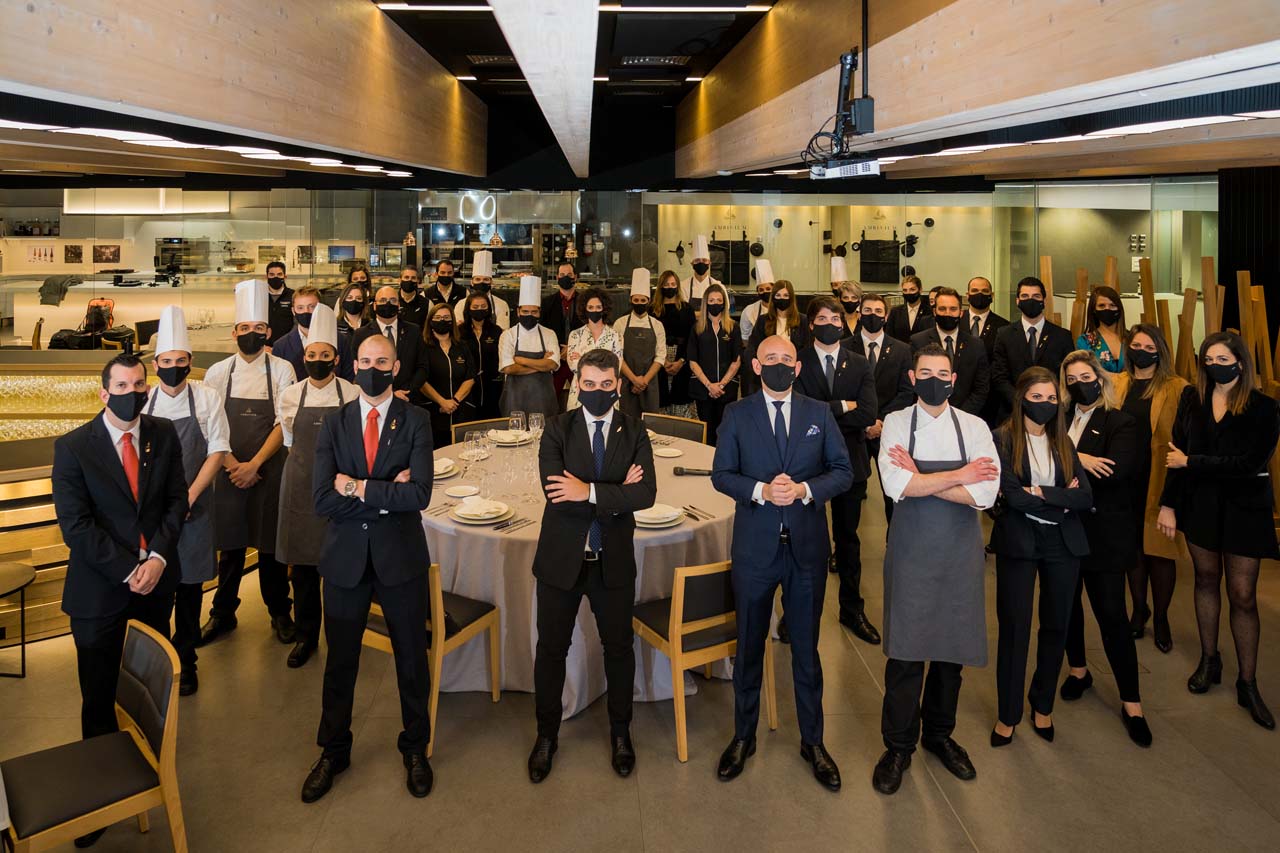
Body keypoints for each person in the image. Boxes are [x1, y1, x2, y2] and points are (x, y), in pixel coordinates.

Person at [51, 352, 188, 849]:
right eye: (122, 386)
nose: (132, 394)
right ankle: (101, 797)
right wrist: (130, 569)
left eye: (139, 385)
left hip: (155, 587)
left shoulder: (162, 434)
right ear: (104, 393)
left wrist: (158, 560)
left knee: (150, 692)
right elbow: (77, 527)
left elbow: (176, 501)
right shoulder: (73, 447)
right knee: (98, 697)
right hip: (100, 593)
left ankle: (152, 772)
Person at [711, 334, 853, 790]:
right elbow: (722, 474)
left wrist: (806, 490)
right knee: (750, 646)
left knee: (807, 652)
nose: (778, 364)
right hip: (756, 549)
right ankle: (743, 736)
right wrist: (761, 491)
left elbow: (843, 471)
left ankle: (814, 742)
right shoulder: (737, 414)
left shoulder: (818, 413)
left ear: (797, 367)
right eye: (770, 358)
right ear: (755, 366)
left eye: (786, 359)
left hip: (806, 550)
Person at [302, 333, 436, 804]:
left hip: (401, 558)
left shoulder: (416, 420)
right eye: (365, 361)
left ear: (396, 368)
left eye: (382, 362)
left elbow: (420, 494)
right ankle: (333, 750)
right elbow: (322, 499)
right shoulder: (334, 422)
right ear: (352, 365)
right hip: (345, 560)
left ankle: (415, 747)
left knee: (411, 660)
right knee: (340, 661)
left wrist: (356, 487)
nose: (373, 369)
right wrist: (386, 492)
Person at [872, 343, 1000, 795]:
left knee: (951, 653)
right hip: (911, 554)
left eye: (942, 374)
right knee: (906, 656)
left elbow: (986, 495)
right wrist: (961, 475)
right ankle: (898, 746)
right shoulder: (896, 423)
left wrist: (924, 478)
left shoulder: (975, 427)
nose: (934, 380)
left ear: (953, 380)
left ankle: (940, 735)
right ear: (912, 378)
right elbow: (896, 485)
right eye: (925, 373)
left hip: (959, 555)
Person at [527, 349, 656, 783]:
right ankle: (546, 735)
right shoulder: (557, 429)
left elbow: (646, 495)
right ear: (576, 385)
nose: (597, 391)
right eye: (589, 384)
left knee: (618, 650)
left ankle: (621, 734)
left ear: (617, 386)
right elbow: (556, 494)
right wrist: (616, 491)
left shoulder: (635, 430)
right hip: (561, 561)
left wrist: (589, 490)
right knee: (551, 650)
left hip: (612, 561)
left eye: (605, 384)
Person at [1160, 331, 1280, 730]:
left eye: (1222, 359)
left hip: (1246, 511)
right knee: (1205, 580)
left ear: (1240, 362)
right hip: (1201, 507)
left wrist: (1193, 462)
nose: (1214, 365)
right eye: (1208, 359)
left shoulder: (1265, 407)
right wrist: (1168, 504)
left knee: (1243, 595)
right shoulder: (1191, 398)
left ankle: (1248, 682)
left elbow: (1248, 464)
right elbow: (1174, 456)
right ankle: (1209, 660)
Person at [990, 367, 1092, 747]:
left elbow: (1085, 496)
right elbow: (1012, 496)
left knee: (1056, 626)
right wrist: (1060, 498)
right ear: (1021, 399)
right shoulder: (1001, 438)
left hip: (1063, 543)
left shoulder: (1062, 440)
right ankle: (1008, 714)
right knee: (1014, 628)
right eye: (1037, 397)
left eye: (1052, 398)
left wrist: (1043, 494)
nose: (1045, 404)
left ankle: (1042, 704)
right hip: (1018, 542)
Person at [1057, 350, 1151, 746]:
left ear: (1100, 378)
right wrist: (1080, 457)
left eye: (1086, 377)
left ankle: (1132, 702)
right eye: (1072, 379)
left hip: (1103, 533)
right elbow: (1036, 460)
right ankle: (1078, 670)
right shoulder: (1057, 418)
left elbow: (1115, 470)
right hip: (1062, 529)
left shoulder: (1121, 421)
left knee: (1112, 615)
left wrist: (1065, 458)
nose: (1081, 384)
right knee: (1067, 609)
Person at [200, 279, 298, 647]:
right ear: (234, 333)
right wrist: (233, 465)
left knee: (271, 547)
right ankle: (222, 612)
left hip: (268, 468)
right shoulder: (217, 372)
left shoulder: (283, 369)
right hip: (228, 470)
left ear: (268, 332)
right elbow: (211, 426)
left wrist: (254, 464)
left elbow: (283, 423)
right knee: (231, 547)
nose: (250, 334)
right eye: (244, 328)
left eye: (258, 328)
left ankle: (279, 611)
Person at [146, 306, 230, 696]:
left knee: (190, 587)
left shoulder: (207, 397)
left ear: (190, 363)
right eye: (167, 362)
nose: (174, 368)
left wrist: (190, 496)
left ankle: (187, 660)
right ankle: (158, 661)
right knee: (156, 588)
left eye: (181, 361)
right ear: (155, 365)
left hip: (195, 508)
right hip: (153, 513)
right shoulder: (144, 401)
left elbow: (217, 449)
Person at [276, 304, 358, 670]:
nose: (318, 361)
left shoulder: (352, 393)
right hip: (301, 486)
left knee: (342, 567)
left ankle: (344, 636)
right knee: (304, 571)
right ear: (304, 358)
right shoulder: (290, 395)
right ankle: (306, 636)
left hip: (342, 489)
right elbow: (290, 442)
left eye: (325, 356)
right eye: (312, 356)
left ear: (337, 359)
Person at [794, 296, 879, 644]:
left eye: (835, 319)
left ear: (843, 324)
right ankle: (797, 613)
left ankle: (852, 609)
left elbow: (868, 413)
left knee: (848, 540)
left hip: (849, 462)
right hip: (806, 464)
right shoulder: (797, 361)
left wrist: (824, 413)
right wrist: (844, 405)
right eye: (822, 319)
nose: (830, 324)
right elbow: (797, 412)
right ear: (811, 324)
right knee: (802, 541)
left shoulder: (858, 363)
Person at [1113, 325, 1188, 651]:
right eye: (1136, 345)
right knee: (1132, 549)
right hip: (1125, 480)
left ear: (1160, 351)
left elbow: (1184, 437)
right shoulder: (1117, 383)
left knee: (1160, 552)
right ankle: (1138, 609)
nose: (1141, 351)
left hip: (1160, 478)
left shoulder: (1177, 387)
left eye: (1148, 347)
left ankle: (1161, 617)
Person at [847, 293, 914, 526]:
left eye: (878, 311)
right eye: (867, 311)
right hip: (855, 431)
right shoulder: (845, 347)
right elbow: (842, 392)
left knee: (892, 493)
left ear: (885, 316)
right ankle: (847, 546)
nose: (872, 315)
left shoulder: (902, 350)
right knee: (851, 494)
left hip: (889, 430)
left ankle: (893, 542)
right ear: (859, 314)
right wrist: (865, 422)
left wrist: (880, 421)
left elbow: (906, 392)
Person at [991, 276, 1074, 424]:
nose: (1030, 300)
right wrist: (1022, 402)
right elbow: (999, 376)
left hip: (1050, 415)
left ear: (1044, 301)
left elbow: (1065, 377)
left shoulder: (1062, 336)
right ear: (1017, 301)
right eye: (1025, 296)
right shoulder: (1004, 334)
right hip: (1012, 414)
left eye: (1036, 296)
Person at [910, 287, 989, 417]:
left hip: (965, 416)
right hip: (928, 414)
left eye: (953, 309)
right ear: (934, 312)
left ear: (961, 313)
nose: (948, 313)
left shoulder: (976, 345)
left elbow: (981, 388)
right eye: (942, 309)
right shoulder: (918, 342)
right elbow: (913, 385)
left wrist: (960, 415)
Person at [351, 285, 429, 405]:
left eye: (393, 300)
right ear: (375, 305)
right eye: (383, 300)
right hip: (374, 400)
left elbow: (422, 367)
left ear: (398, 305)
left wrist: (407, 391)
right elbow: (358, 370)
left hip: (408, 399)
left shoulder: (414, 331)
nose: (388, 304)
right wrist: (389, 393)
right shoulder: (361, 334)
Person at [686, 283, 742, 447]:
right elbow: (693, 361)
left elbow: (736, 360)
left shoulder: (733, 327)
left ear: (724, 303)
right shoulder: (697, 328)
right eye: (711, 300)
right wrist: (709, 385)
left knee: (726, 432)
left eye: (719, 300)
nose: (715, 303)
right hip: (703, 390)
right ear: (706, 303)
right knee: (707, 433)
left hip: (727, 390)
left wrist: (721, 384)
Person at [499, 275, 560, 417]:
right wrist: (541, 364)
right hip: (514, 402)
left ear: (539, 312)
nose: (529, 315)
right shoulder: (508, 335)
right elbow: (508, 368)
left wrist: (521, 360)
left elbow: (552, 364)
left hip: (544, 402)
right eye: (525, 312)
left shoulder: (549, 334)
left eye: (534, 312)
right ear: (518, 311)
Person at [421, 302, 477, 449]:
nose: (442, 321)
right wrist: (442, 402)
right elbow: (421, 380)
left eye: (446, 317)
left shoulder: (462, 346)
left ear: (452, 321)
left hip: (462, 411)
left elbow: (470, 377)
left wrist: (454, 401)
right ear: (430, 321)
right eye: (438, 317)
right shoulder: (423, 347)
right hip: (434, 412)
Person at [614, 268, 666, 419]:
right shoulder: (620, 323)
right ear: (630, 300)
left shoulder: (657, 325)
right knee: (625, 423)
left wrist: (644, 381)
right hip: (625, 383)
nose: (639, 303)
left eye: (643, 300)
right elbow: (617, 355)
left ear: (648, 301)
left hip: (649, 384)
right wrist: (634, 379)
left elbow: (660, 356)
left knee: (649, 425)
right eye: (636, 300)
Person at [273, 285, 354, 381]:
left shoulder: (340, 340)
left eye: (312, 307)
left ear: (320, 308)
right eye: (300, 308)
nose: (306, 311)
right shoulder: (281, 346)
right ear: (293, 311)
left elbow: (348, 377)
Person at [565, 287, 623, 410]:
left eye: (598, 307)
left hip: (607, 392)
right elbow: (573, 365)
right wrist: (602, 362)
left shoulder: (616, 336)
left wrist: (583, 358)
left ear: (604, 309)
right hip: (580, 394)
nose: (594, 310)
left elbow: (616, 366)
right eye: (590, 307)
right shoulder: (575, 335)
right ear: (584, 309)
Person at [744, 278, 803, 395]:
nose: (782, 298)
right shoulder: (763, 321)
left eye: (786, 295)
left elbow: (806, 350)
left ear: (791, 298)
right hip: (767, 374)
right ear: (773, 297)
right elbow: (752, 349)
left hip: (795, 377)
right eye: (778, 295)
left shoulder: (802, 321)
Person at [965, 276, 1008, 429]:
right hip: (959, 398)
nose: (980, 294)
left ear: (992, 295)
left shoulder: (1004, 327)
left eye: (985, 291)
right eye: (975, 291)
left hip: (991, 402)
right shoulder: (956, 322)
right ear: (967, 295)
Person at [652, 269, 697, 418]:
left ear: (677, 286)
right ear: (660, 287)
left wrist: (681, 361)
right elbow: (652, 338)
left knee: (680, 400)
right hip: (659, 360)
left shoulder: (687, 309)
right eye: (666, 284)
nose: (670, 287)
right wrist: (663, 361)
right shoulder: (653, 310)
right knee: (661, 399)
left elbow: (692, 338)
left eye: (673, 284)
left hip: (682, 360)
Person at [542, 261, 583, 407]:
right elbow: (543, 330)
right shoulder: (547, 303)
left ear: (575, 277)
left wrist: (571, 348)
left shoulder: (585, 302)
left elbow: (589, 330)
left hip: (579, 358)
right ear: (557, 278)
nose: (566, 277)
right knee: (550, 401)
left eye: (569, 274)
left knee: (581, 400)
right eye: (562, 274)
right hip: (555, 359)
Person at [461, 292, 504, 419]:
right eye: (475, 307)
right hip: (466, 386)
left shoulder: (496, 331)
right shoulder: (459, 331)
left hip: (492, 386)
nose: (479, 309)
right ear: (468, 309)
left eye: (483, 306)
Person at [453, 249, 511, 330]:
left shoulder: (501, 304)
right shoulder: (461, 304)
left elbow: (503, 331)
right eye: (478, 279)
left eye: (486, 279)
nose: (481, 282)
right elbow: (458, 330)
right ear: (472, 282)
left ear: (491, 282)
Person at [1076, 285, 1128, 373]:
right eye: (1101, 305)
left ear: (1119, 308)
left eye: (1112, 305)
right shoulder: (1085, 342)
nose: (1107, 309)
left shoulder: (1132, 338)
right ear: (1094, 310)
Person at [886, 275, 933, 342]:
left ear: (920, 290)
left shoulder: (929, 311)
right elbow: (889, 336)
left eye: (912, 290)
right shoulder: (895, 312)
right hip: (900, 347)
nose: (908, 293)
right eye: (905, 290)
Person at [680, 234, 720, 312]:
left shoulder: (718, 286)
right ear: (692, 264)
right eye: (697, 260)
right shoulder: (683, 286)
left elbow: (723, 311)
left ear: (709, 263)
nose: (701, 263)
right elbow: (683, 313)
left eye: (704, 260)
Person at [739, 258, 776, 343]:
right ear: (757, 292)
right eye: (761, 290)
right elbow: (744, 338)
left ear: (774, 289)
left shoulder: (781, 309)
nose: (765, 292)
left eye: (768, 289)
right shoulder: (749, 311)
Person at [265, 261, 295, 346]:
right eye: (272, 274)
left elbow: (297, 323)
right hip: (264, 345)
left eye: (279, 274)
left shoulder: (293, 295)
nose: (275, 277)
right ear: (266, 276)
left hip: (287, 344)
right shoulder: (260, 295)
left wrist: (288, 341)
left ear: (285, 276)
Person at [335, 276, 371, 343]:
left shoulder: (370, 325)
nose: (354, 301)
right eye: (349, 297)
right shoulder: (334, 325)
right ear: (343, 300)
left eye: (358, 298)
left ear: (364, 302)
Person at [396, 264, 431, 330]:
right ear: (399, 280)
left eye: (413, 278)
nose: (410, 280)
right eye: (406, 277)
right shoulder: (393, 301)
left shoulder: (427, 304)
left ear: (418, 281)